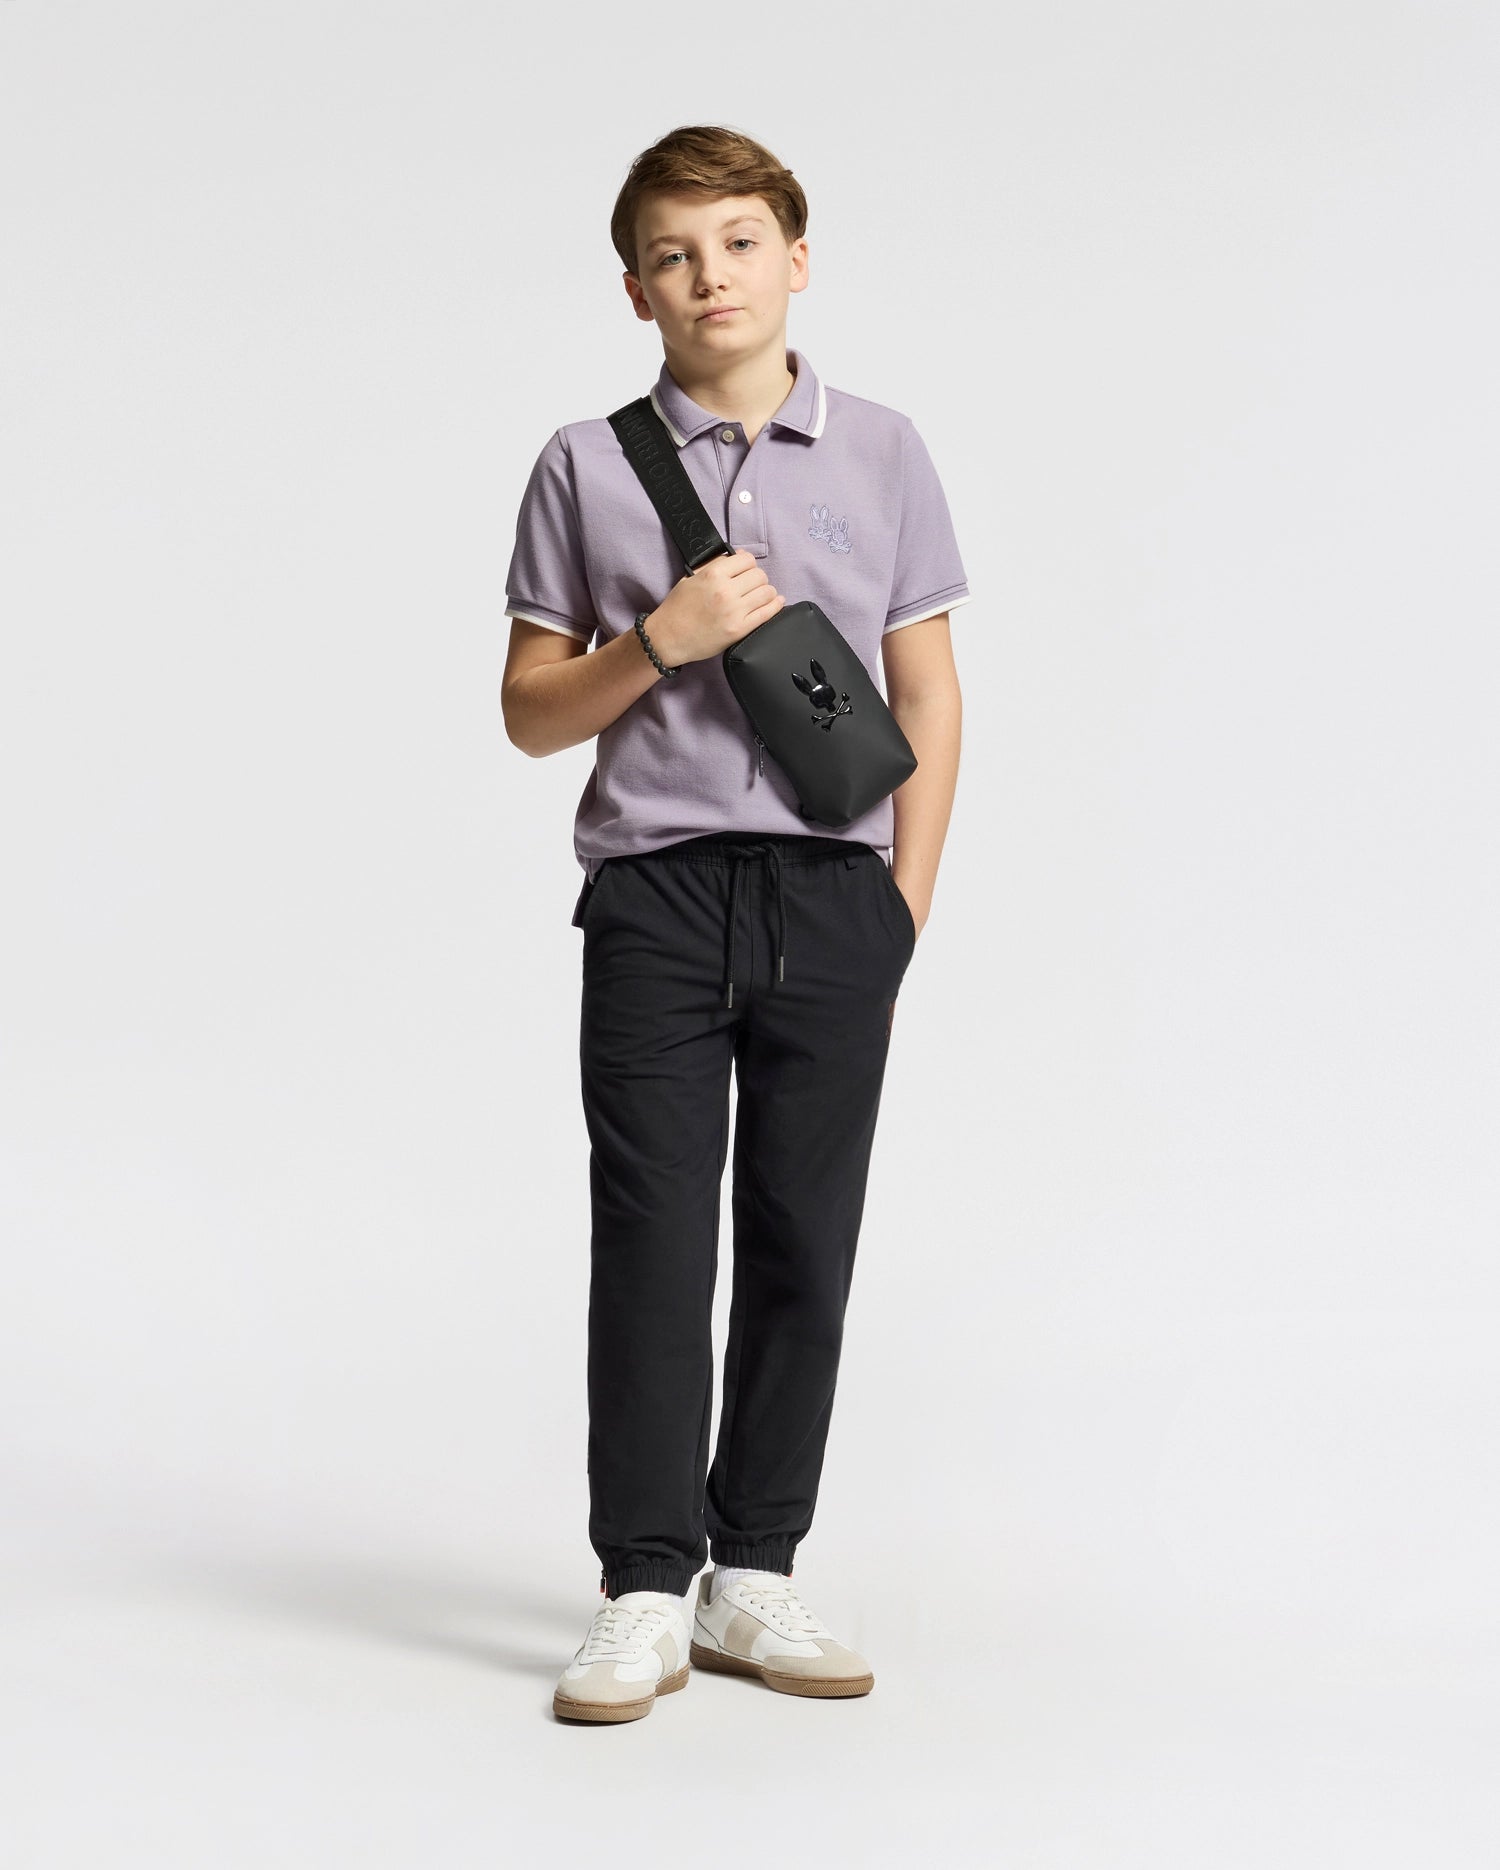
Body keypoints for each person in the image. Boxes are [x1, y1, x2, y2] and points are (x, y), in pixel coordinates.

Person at [501, 124, 970, 1724]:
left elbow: (928, 693)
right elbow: (529, 713)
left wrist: (902, 908)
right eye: (675, 254)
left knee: (801, 1237)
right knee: (649, 1237)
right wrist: (661, 638)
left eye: (742, 241)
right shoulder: (584, 463)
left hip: (836, 900)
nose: (713, 275)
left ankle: (751, 1569)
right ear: (636, 288)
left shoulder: (887, 449)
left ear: (798, 258)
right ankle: (644, 1583)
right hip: (656, 895)